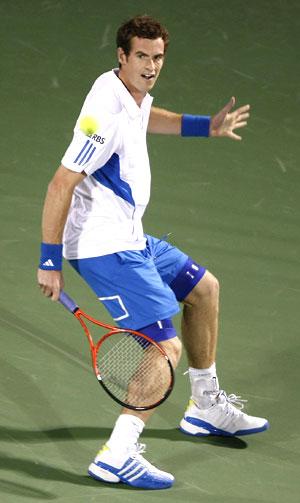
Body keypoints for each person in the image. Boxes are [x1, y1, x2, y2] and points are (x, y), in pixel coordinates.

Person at [37, 15, 269, 490]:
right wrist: (48, 260)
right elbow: (62, 181)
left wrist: (206, 126)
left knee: (203, 289)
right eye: (140, 56)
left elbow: (147, 117)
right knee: (165, 346)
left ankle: (205, 407)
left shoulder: (131, 95)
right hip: (104, 247)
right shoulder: (103, 112)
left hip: (132, 236)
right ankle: (117, 453)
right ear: (122, 56)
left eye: (157, 57)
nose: (149, 66)